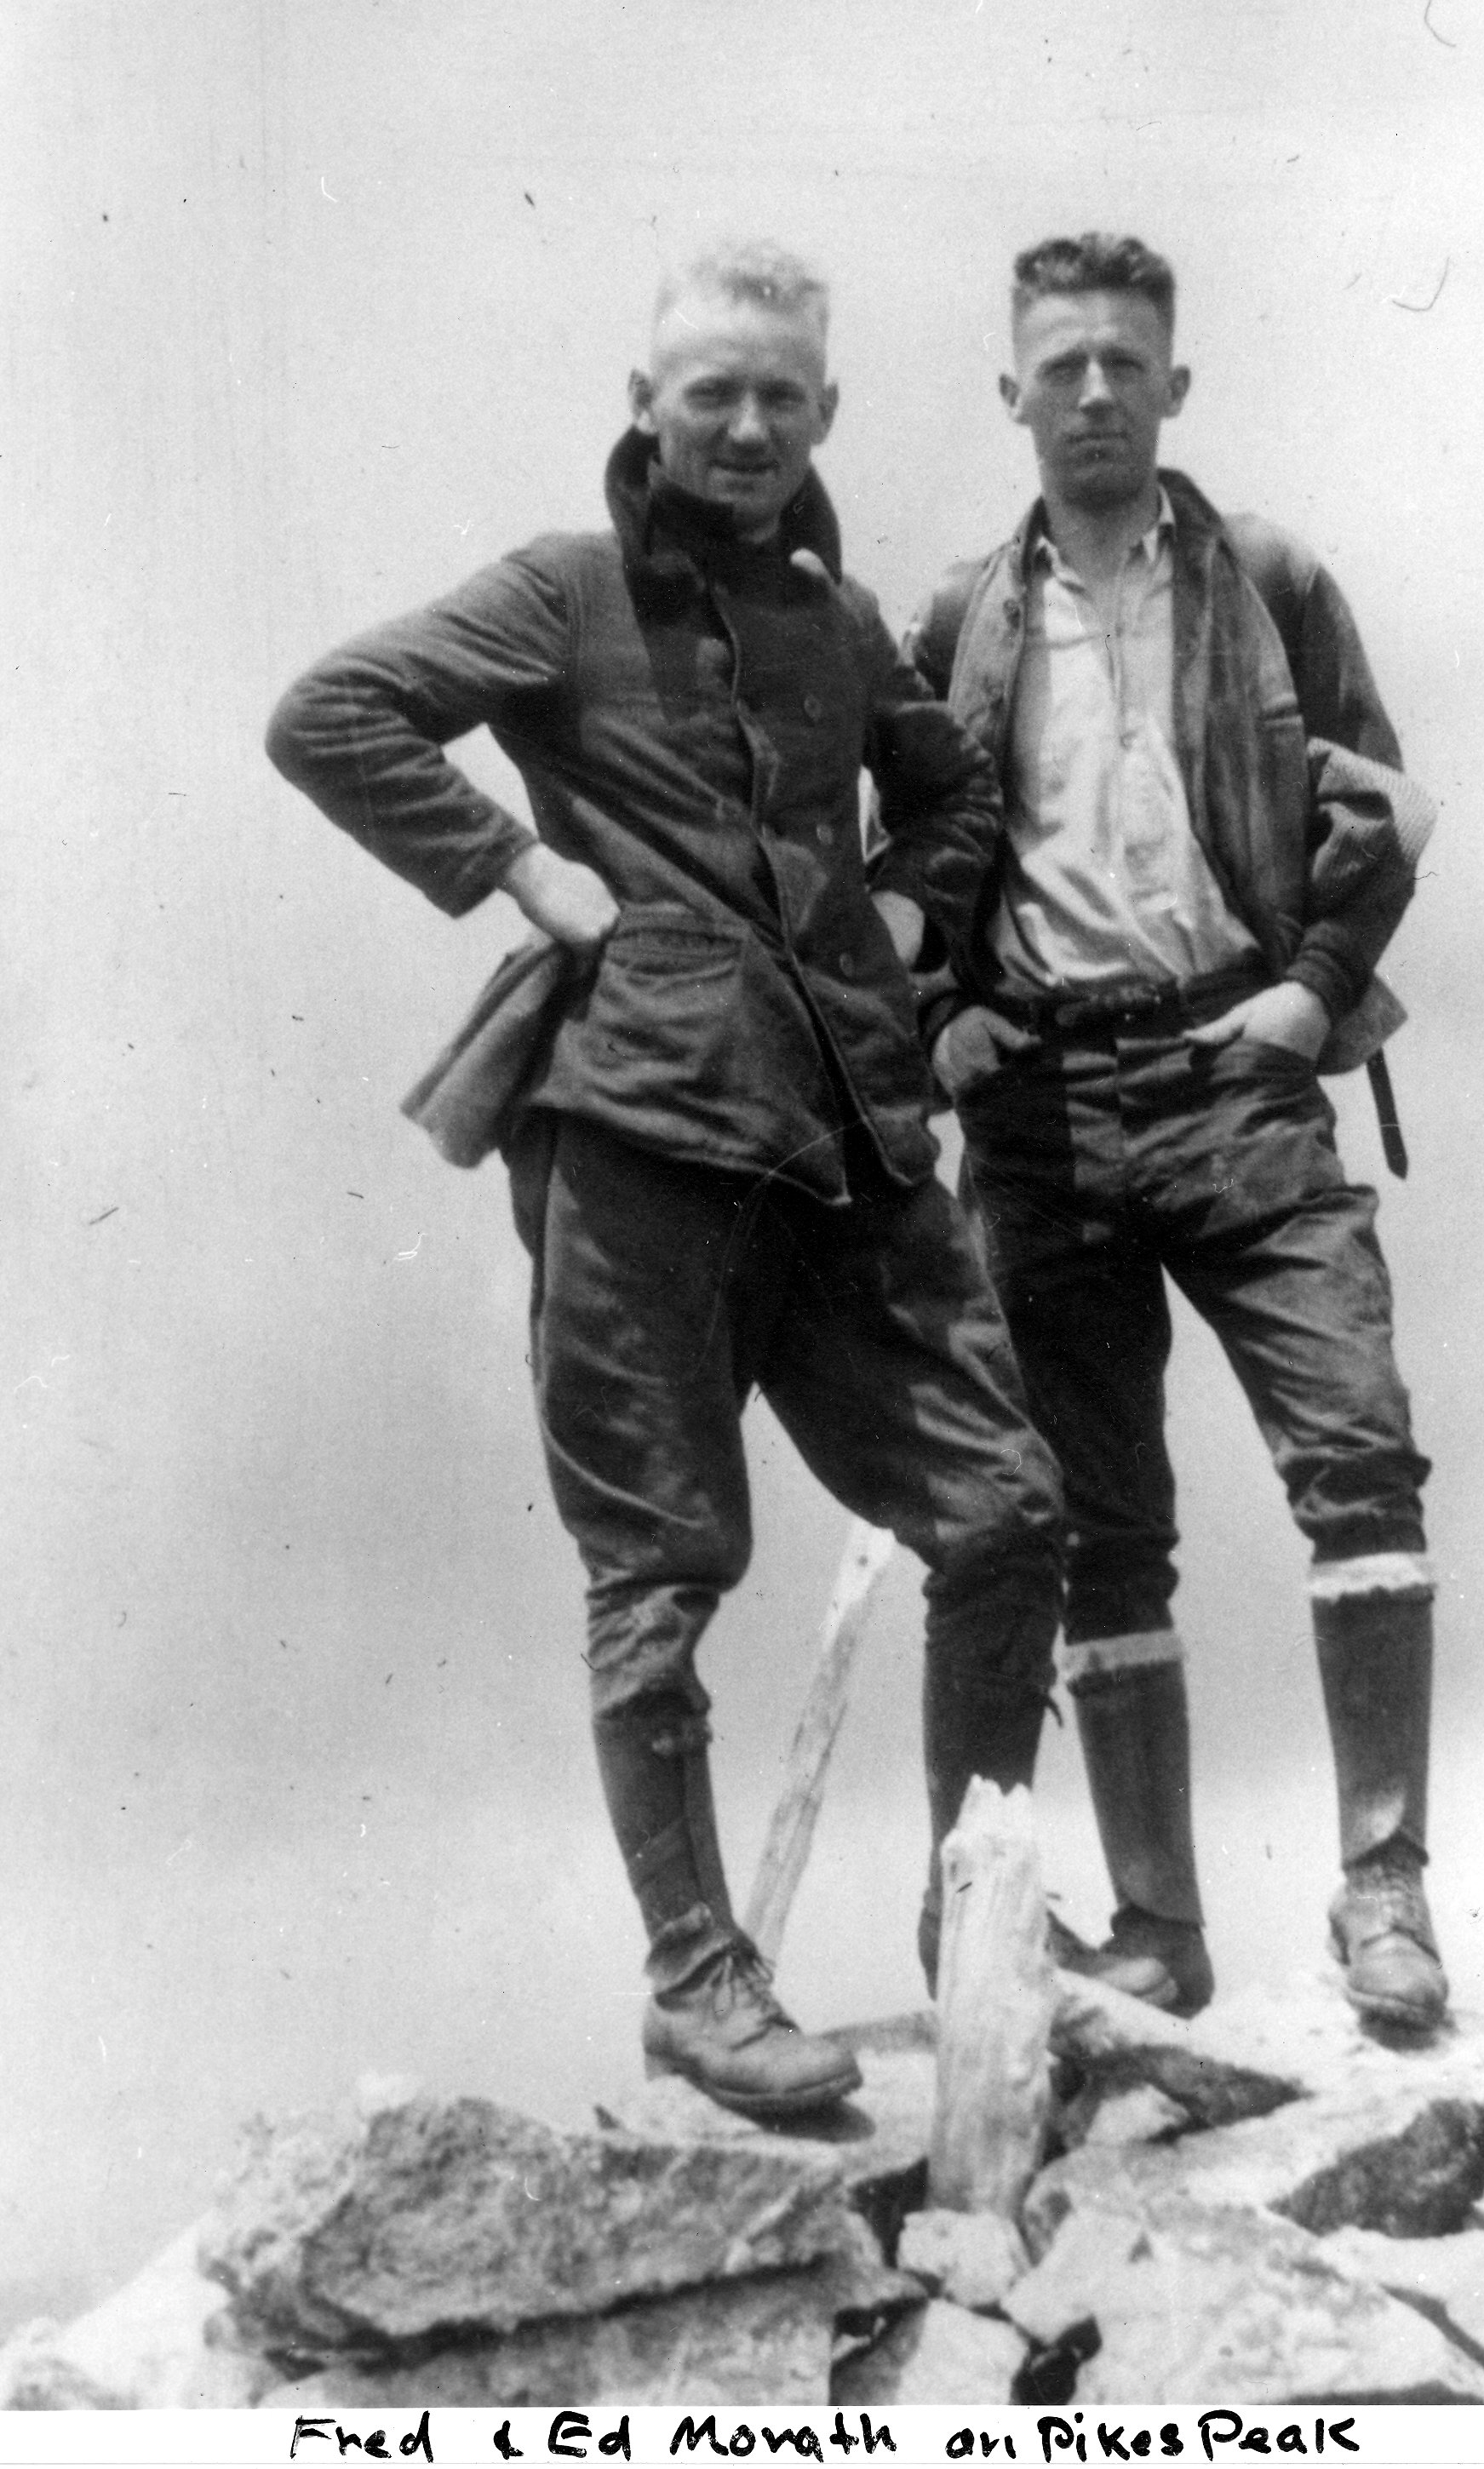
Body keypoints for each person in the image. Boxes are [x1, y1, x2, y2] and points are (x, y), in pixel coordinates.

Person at [265, 242, 1160, 2126]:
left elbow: (951, 797)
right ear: (647, 406)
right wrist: (513, 867)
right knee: (660, 1565)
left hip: (846, 1154)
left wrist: (903, 911)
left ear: (822, 413)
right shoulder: (560, 590)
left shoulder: (837, 627)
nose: (745, 429)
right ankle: (696, 1979)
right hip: (638, 1139)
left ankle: (968, 1930)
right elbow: (331, 712)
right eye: (710, 396)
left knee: (1004, 1510)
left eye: (780, 398)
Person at [908, 232, 1447, 2031]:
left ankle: (1382, 1897)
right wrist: (936, 1022)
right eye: (1056, 365)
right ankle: (1156, 1927)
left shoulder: (1266, 580)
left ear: (1171, 384)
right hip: (1046, 1114)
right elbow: (900, 867)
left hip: (1234, 1074)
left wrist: (1307, 987)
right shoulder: (957, 618)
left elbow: (1374, 801)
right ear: (1011, 393)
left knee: (1355, 1455)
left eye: (1120, 363)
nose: (1089, 394)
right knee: (1093, 1526)